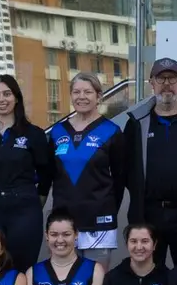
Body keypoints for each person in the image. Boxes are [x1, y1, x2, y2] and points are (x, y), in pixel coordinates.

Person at [115, 58, 177, 269]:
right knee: (148, 270)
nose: (167, 84)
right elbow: (123, 169)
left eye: (172, 78)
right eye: (161, 79)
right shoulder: (135, 123)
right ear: (151, 83)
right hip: (148, 214)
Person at [0, 74, 51, 264]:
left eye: (7, 94)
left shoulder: (34, 134)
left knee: (22, 265)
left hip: (24, 209)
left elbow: (46, 172)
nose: (1, 99)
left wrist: (36, 199)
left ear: (16, 98)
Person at [47, 72, 123, 263]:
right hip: (63, 222)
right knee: (65, 277)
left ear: (99, 96)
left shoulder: (111, 131)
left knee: (96, 279)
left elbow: (120, 179)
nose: (81, 97)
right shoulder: (57, 132)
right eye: (76, 92)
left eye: (88, 92)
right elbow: (50, 175)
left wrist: (106, 207)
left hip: (98, 222)